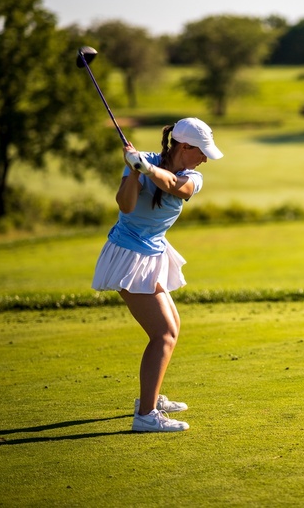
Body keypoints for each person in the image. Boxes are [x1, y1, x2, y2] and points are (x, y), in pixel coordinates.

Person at [92, 117, 224, 432]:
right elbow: (125, 206)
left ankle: (149, 399)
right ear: (185, 146)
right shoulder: (142, 162)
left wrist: (146, 168)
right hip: (128, 256)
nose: (205, 159)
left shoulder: (192, 177)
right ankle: (146, 415)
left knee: (172, 328)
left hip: (152, 252)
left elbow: (176, 187)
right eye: (201, 152)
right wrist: (134, 170)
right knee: (163, 334)